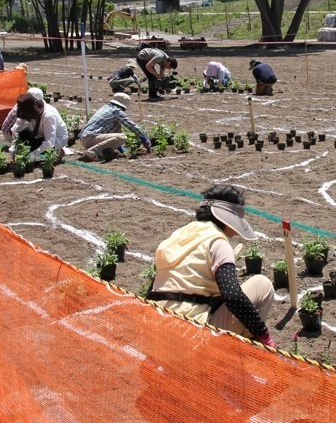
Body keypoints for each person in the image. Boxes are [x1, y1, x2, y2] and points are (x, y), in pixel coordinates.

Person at [149, 184, 276, 347]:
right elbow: (233, 295)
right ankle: (240, 350)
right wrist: (263, 333)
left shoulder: (180, 235)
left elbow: (155, 286)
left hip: (158, 332)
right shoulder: (217, 242)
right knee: (262, 285)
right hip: (191, 337)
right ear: (226, 218)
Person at [77, 92, 151, 162]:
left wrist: (119, 147)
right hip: (91, 138)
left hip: (86, 138)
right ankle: (93, 151)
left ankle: (95, 150)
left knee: (117, 126)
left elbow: (113, 130)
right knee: (122, 137)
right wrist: (143, 137)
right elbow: (130, 125)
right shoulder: (116, 111)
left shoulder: (106, 107)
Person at [10, 92, 68, 160]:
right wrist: (13, 145)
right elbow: (16, 128)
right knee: (23, 135)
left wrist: (33, 154)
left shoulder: (49, 115)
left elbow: (49, 141)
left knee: (37, 146)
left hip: (57, 138)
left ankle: (58, 152)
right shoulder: (26, 108)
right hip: (40, 134)